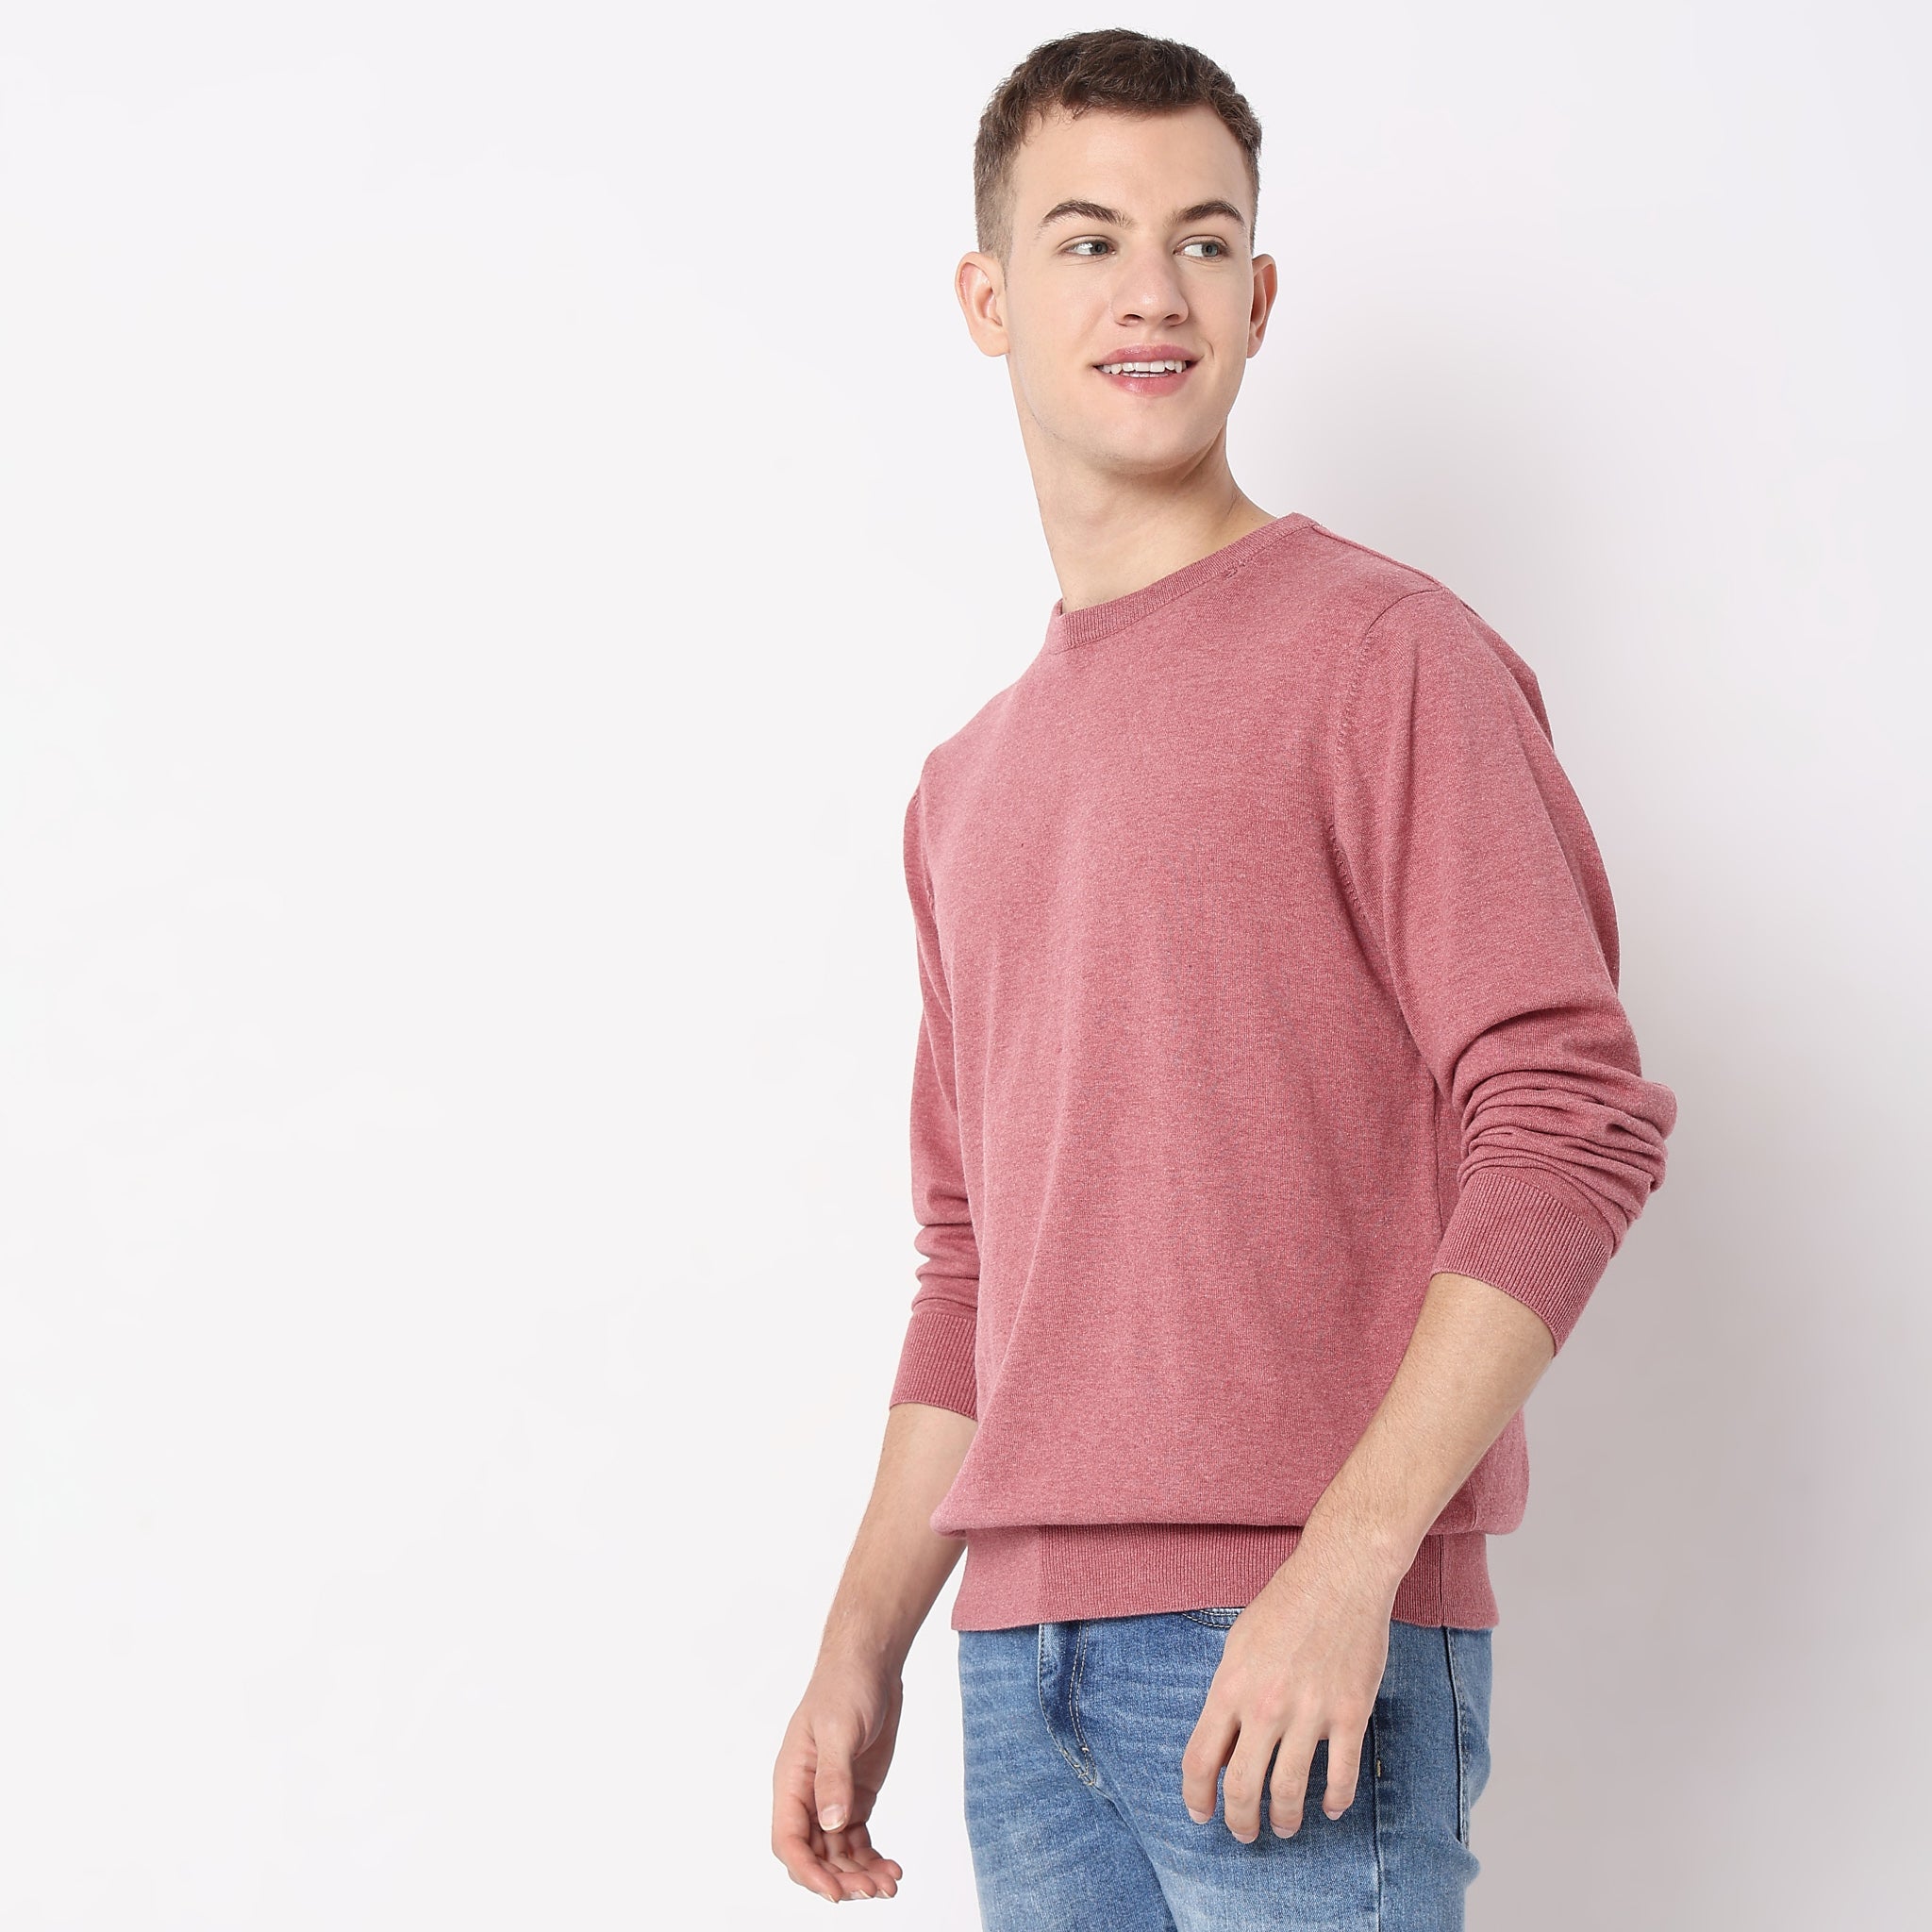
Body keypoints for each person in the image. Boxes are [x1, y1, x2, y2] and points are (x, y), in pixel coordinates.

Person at [771, 26, 1677, 1927]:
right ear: (987, 299)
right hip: (1020, 1679)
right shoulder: (964, 785)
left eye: (1202, 241)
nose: (1152, 292)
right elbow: (973, 1261)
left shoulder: (1383, 656)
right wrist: (863, 1632)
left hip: (1294, 1641)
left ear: (1258, 300)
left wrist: (1348, 1565)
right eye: (1089, 240)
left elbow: (1566, 1123)